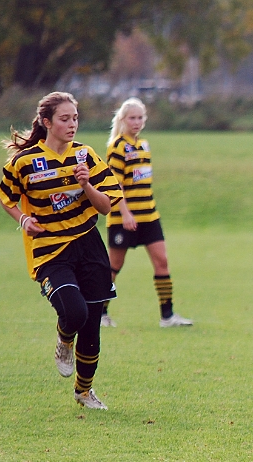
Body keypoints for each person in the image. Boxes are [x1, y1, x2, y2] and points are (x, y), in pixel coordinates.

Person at [0, 91, 123, 409]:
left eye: (75, 118)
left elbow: (106, 207)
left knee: (92, 326)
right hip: (51, 251)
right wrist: (23, 219)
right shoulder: (25, 163)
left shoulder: (86, 156)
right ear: (47, 122)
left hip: (89, 246)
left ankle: (84, 391)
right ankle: (64, 339)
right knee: (75, 313)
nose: (72, 124)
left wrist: (87, 186)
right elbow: (5, 196)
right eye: (65, 119)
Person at [101, 97, 192, 328]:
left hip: (149, 216)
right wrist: (125, 213)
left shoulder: (144, 145)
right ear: (123, 119)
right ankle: (100, 313)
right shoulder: (117, 147)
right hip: (123, 217)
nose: (136, 122)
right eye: (132, 118)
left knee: (162, 261)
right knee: (114, 266)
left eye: (140, 117)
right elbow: (115, 184)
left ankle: (167, 316)